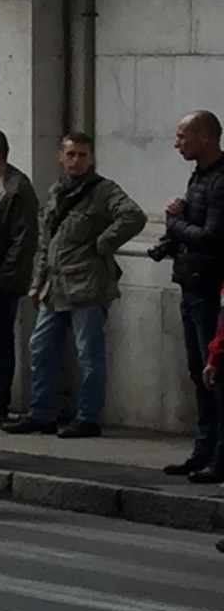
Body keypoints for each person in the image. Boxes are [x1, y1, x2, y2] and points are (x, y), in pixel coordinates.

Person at [13, 132, 147, 440]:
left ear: (91, 158)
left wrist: (103, 243)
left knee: (89, 353)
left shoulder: (103, 191)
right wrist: (37, 283)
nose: (76, 161)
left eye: (82, 155)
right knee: (40, 347)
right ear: (60, 156)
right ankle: (41, 412)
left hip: (88, 285)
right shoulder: (57, 191)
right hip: (56, 286)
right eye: (71, 154)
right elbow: (46, 243)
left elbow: (133, 216)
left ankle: (88, 417)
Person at [162, 110, 224, 483]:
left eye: (182, 135)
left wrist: (175, 224)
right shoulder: (200, 176)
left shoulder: (219, 181)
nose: (177, 142)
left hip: (210, 289)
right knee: (198, 374)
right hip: (192, 284)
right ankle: (203, 449)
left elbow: (212, 236)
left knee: (214, 373)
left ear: (204, 137)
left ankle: (218, 455)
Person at [0, 129, 41, 427]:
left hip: (1, 279)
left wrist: (3, 278)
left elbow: (23, 240)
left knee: (1, 343)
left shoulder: (16, 187)